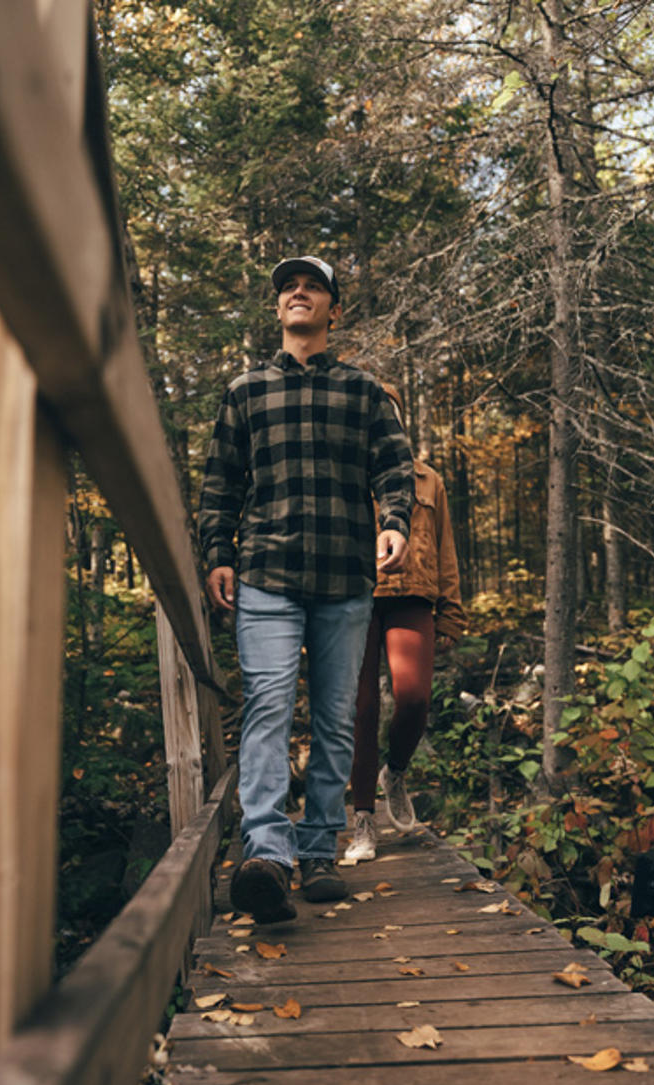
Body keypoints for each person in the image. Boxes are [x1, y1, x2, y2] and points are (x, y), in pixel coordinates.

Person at [198, 256, 414, 922]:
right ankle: (266, 852)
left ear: (332, 310)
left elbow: (395, 468)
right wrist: (217, 552)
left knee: (333, 719)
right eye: (288, 287)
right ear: (278, 309)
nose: (298, 292)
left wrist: (396, 523)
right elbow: (219, 483)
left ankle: (319, 850)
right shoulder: (246, 391)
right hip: (265, 575)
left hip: (343, 579)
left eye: (312, 286)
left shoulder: (363, 391)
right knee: (266, 706)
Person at [346, 384, 465, 862]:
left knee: (414, 698)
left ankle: (394, 772)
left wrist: (451, 611)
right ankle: (363, 822)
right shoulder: (343, 476)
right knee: (361, 708)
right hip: (353, 597)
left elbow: (446, 546)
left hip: (413, 595)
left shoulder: (426, 479)